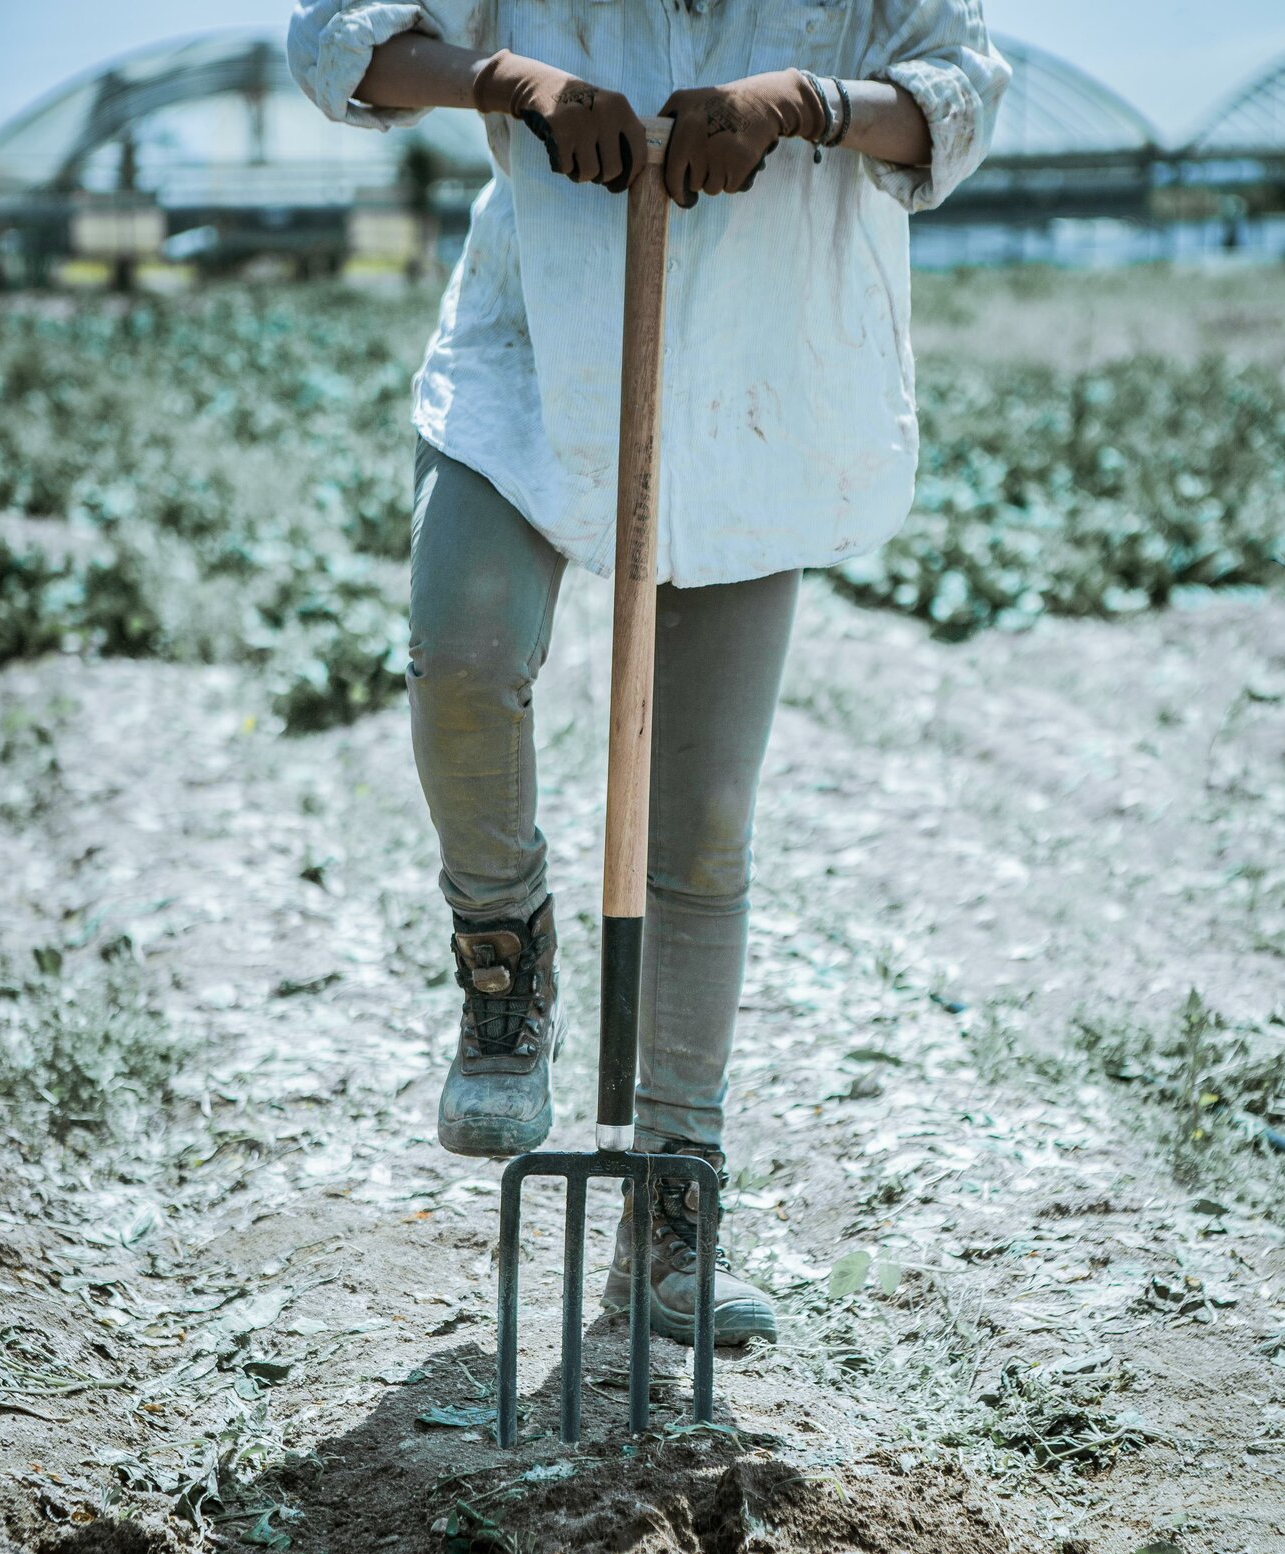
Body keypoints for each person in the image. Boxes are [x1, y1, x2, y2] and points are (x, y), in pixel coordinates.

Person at [287, 1, 1009, 1347]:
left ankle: (676, 1199)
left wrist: (804, 103)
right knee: (462, 657)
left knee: (706, 819)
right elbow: (338, 39)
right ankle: (504, 968)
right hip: (533, 355)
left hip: (757, 385)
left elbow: (959, 95)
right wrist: (508, 79)